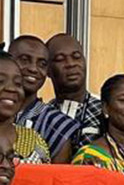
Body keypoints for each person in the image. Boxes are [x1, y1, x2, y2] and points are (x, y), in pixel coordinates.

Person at [9, 34, 80, 163]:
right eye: (25, 60)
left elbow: (57, 179)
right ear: (8, 61)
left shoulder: (58, 124)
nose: (33, 69)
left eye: (41, 64)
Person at [47, 33, 102, 148]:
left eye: (76, 57)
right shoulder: (43, 115)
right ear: (47, 70)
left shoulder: (105, 111)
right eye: (60, 59)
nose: (71, 64)